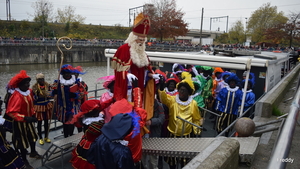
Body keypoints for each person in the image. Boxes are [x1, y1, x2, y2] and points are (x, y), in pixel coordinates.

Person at [111, 12, 159, 119]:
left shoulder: (143, 53)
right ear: (133, 38)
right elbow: (118, 71)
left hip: (140, 87)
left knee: (138, 110)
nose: (141, 42)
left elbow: (144, 70)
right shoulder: (123, 50)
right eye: (139, 39)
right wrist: (127, 75)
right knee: (128, 111)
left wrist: (151, 75)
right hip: (128, 88)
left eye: (143, 40)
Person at [5, 70, 41, 169]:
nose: (28, 85)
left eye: (28, 83)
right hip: (20, 123)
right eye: (26, 83)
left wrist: (33, 115)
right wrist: (25, 118)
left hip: (29, 121)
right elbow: (11, 112)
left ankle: (33, 152)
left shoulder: (28, 92)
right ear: (20, 85)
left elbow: (31, 105)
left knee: (33, 137)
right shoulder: (16, 96)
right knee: (22, 142)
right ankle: (24, 160)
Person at [70, 99, 111, 169]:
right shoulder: (96, 123)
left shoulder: (86, 120)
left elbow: (103, 106)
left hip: (86, 142)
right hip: (94, 146)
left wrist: (112, 100)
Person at [51, 64, 85, 138]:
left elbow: (82, 94)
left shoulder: (76, 82)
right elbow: (49, 93)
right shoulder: (57, 83)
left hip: (74, 107)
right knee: (65, 124)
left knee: (72, 122)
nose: (67, 75)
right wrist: (54, 92)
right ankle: (66, 137)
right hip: (63, 107)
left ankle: (70, 137)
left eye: (68, 73)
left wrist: (76, 95)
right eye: (65, 73)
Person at [32, 73, 53, 145]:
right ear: (37, 80)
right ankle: (40, 137)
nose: (42, 81)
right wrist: (36, 95)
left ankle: (46, 137)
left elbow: (51, 94)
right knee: (39, 123)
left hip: (47, 105)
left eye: (42, 79)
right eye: (40, 79)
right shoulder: (34, 88)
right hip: (39, 107)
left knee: (47, 122)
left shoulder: (47, 85)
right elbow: (33, 99)